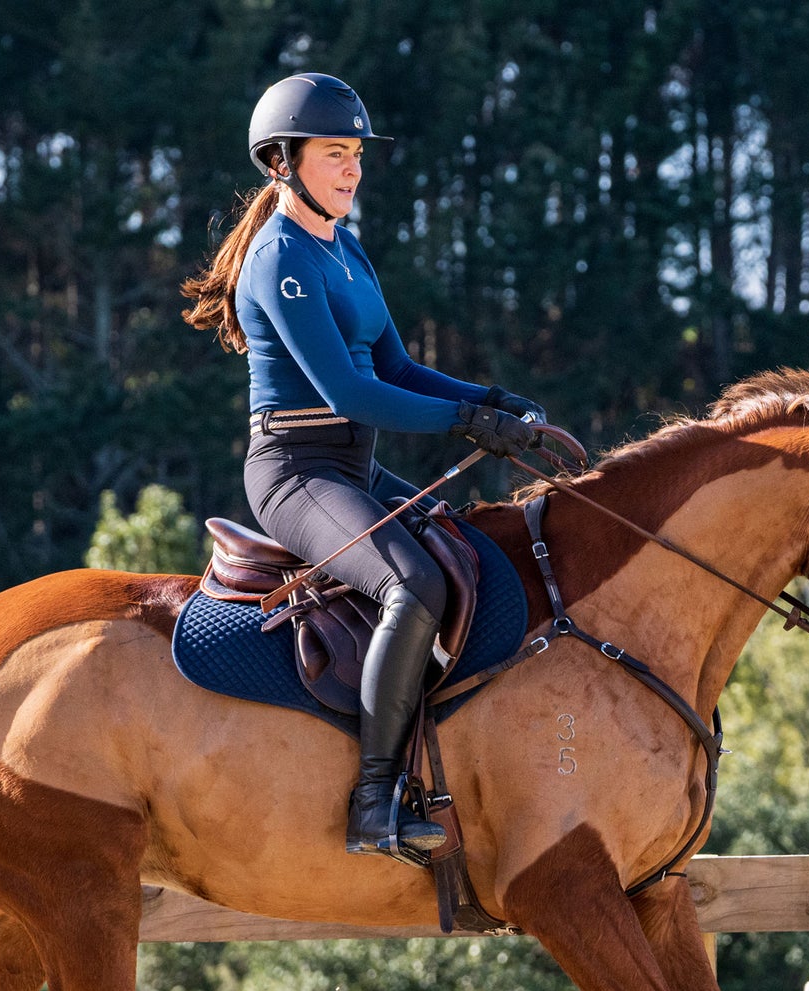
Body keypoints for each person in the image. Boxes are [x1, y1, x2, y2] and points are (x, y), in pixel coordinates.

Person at [182, 72, 547, 862]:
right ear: (282, 162)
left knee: (468, 555)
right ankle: (374, 798)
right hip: (295, 470)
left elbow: (401, 368)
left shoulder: (344, 247)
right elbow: (351, 390)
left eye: (355, 154)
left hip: (354, 467)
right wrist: (467, 422)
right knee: (411, 583)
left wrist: (494, 398)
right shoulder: (279, 257)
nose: (351, 169)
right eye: (334, 154)